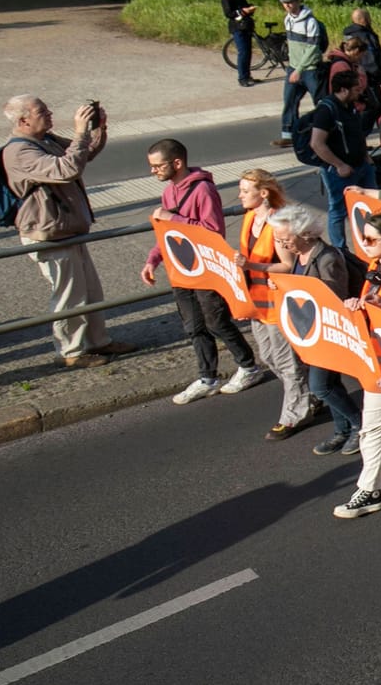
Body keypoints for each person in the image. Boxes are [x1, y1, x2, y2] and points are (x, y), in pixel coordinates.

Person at [0, 95, 135, 368]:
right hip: (47, 235)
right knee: (69, 297)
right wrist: (79, 131)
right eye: (42, 111)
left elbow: (85, 153)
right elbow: (67, 169)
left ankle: (98, 342)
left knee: (91, 292)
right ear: (24, 120)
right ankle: (71, 352)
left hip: (67, 229)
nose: (49, 113)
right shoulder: (19, 152)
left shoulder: (45, 139)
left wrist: (98, 128)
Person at [142, 139, 264, 404]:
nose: (153, 171)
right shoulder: (169, 192)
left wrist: (171, 218)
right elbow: (167, 233)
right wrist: (153, 260)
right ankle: (207, 377)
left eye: (157, 166)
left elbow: (212, 231)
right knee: (194, 326)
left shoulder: (203, 190)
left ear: (177, 163)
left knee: (216, 321)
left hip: (205, 270)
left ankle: (248, 366)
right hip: (181, 270)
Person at [269, 202, 364, 456]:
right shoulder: (300, 256)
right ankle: (342, 430)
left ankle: (359, 425)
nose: (281, 244)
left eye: (284, 238)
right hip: (312, 332)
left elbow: (334, 296)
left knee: (320, 387)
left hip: (328, 333)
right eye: (277, 239)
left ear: (305, 233)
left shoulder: (327, 258)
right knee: (330, 383)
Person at [335, 210, 381, 517]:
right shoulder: (375, 267)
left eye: (370, 239)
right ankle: (370, 488)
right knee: (373, 430)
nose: (363, 244)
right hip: (378, 365)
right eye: (361, 237)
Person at [232, 169, 312, 439]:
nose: (239, 195)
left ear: (263, 193)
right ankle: (309, 394)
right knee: (268, 357)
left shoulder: (279, 222)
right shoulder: (248, 218)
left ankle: (293, 415)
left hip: (278, 302)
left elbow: (287, 266)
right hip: (257, 301)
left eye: (245, 191)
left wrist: (251, 265)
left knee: (286, 361)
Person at [274, 0, 326, 147]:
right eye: (284, 3)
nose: (288, 6)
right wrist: (292, 65)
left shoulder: (310, 22)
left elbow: (312, 48)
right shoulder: (287, 19)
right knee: (289, 101)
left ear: (297, 2)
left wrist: (299, 69)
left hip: (310, 69)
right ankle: (288, 134)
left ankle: (325, 132)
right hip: (294, 67)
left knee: (321, 102)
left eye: (290, 2)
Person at [223, 0, 258, 86]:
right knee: (243, 53)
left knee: (248, 53)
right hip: (237, 27)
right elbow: (228, 13)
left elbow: (245, 8)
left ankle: (248, 76)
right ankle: (242, 78)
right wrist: (243, 11)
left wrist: (250, 8)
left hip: (246, 26)